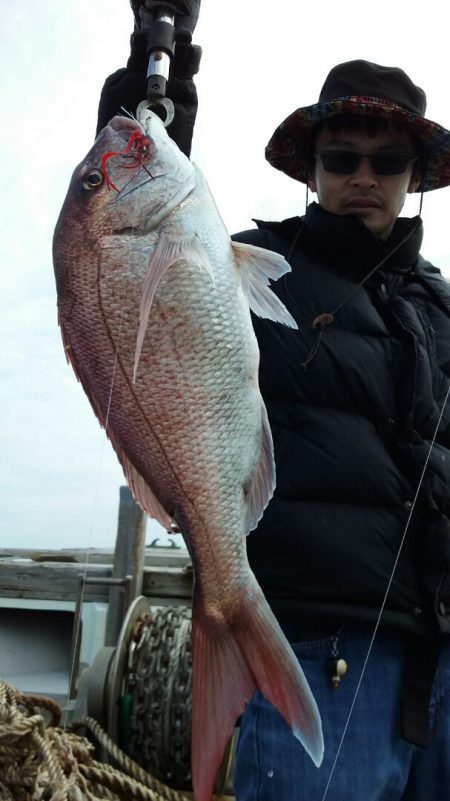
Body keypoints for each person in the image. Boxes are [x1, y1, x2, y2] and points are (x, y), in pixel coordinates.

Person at [97, 4, 450, 800]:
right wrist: (160, 64)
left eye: (388, 161)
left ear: (415, 177)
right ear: (312, 169)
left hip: (442, 656)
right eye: (341, 157)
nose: (363, 176)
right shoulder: (255, 269)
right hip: (323, 645)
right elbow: (134, 197)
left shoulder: (441, 306)